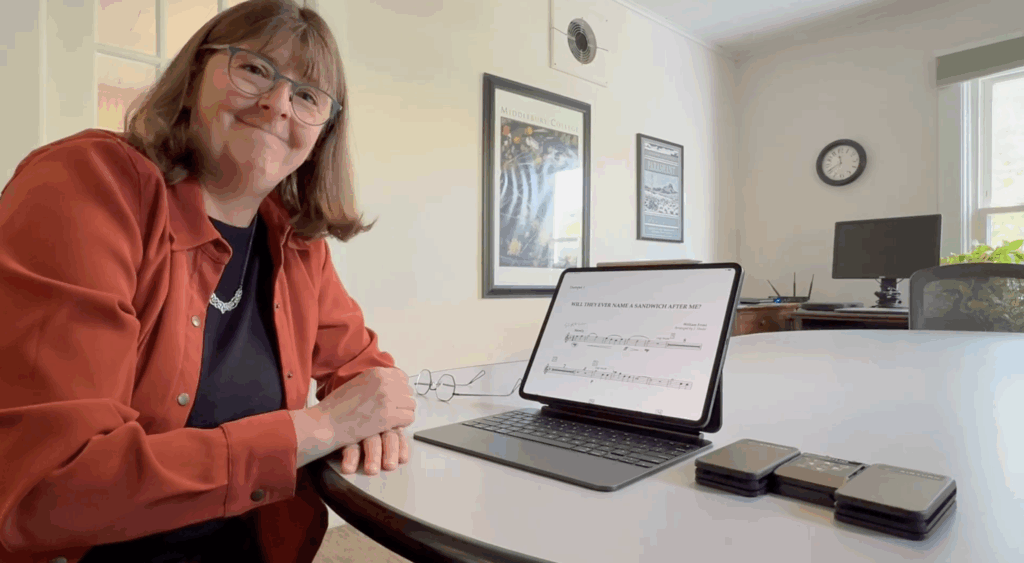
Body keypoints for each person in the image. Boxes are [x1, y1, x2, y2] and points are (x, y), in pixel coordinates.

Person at [0, 1, 416, 562]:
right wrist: (319, 428)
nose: (277, 105)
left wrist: (375, 404)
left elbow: (367, 374)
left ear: (322, 134)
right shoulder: (88, 185)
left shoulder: (296, 245)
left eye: (307, 96)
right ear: (197, 73)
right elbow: (50, 489)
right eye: (254, 69)